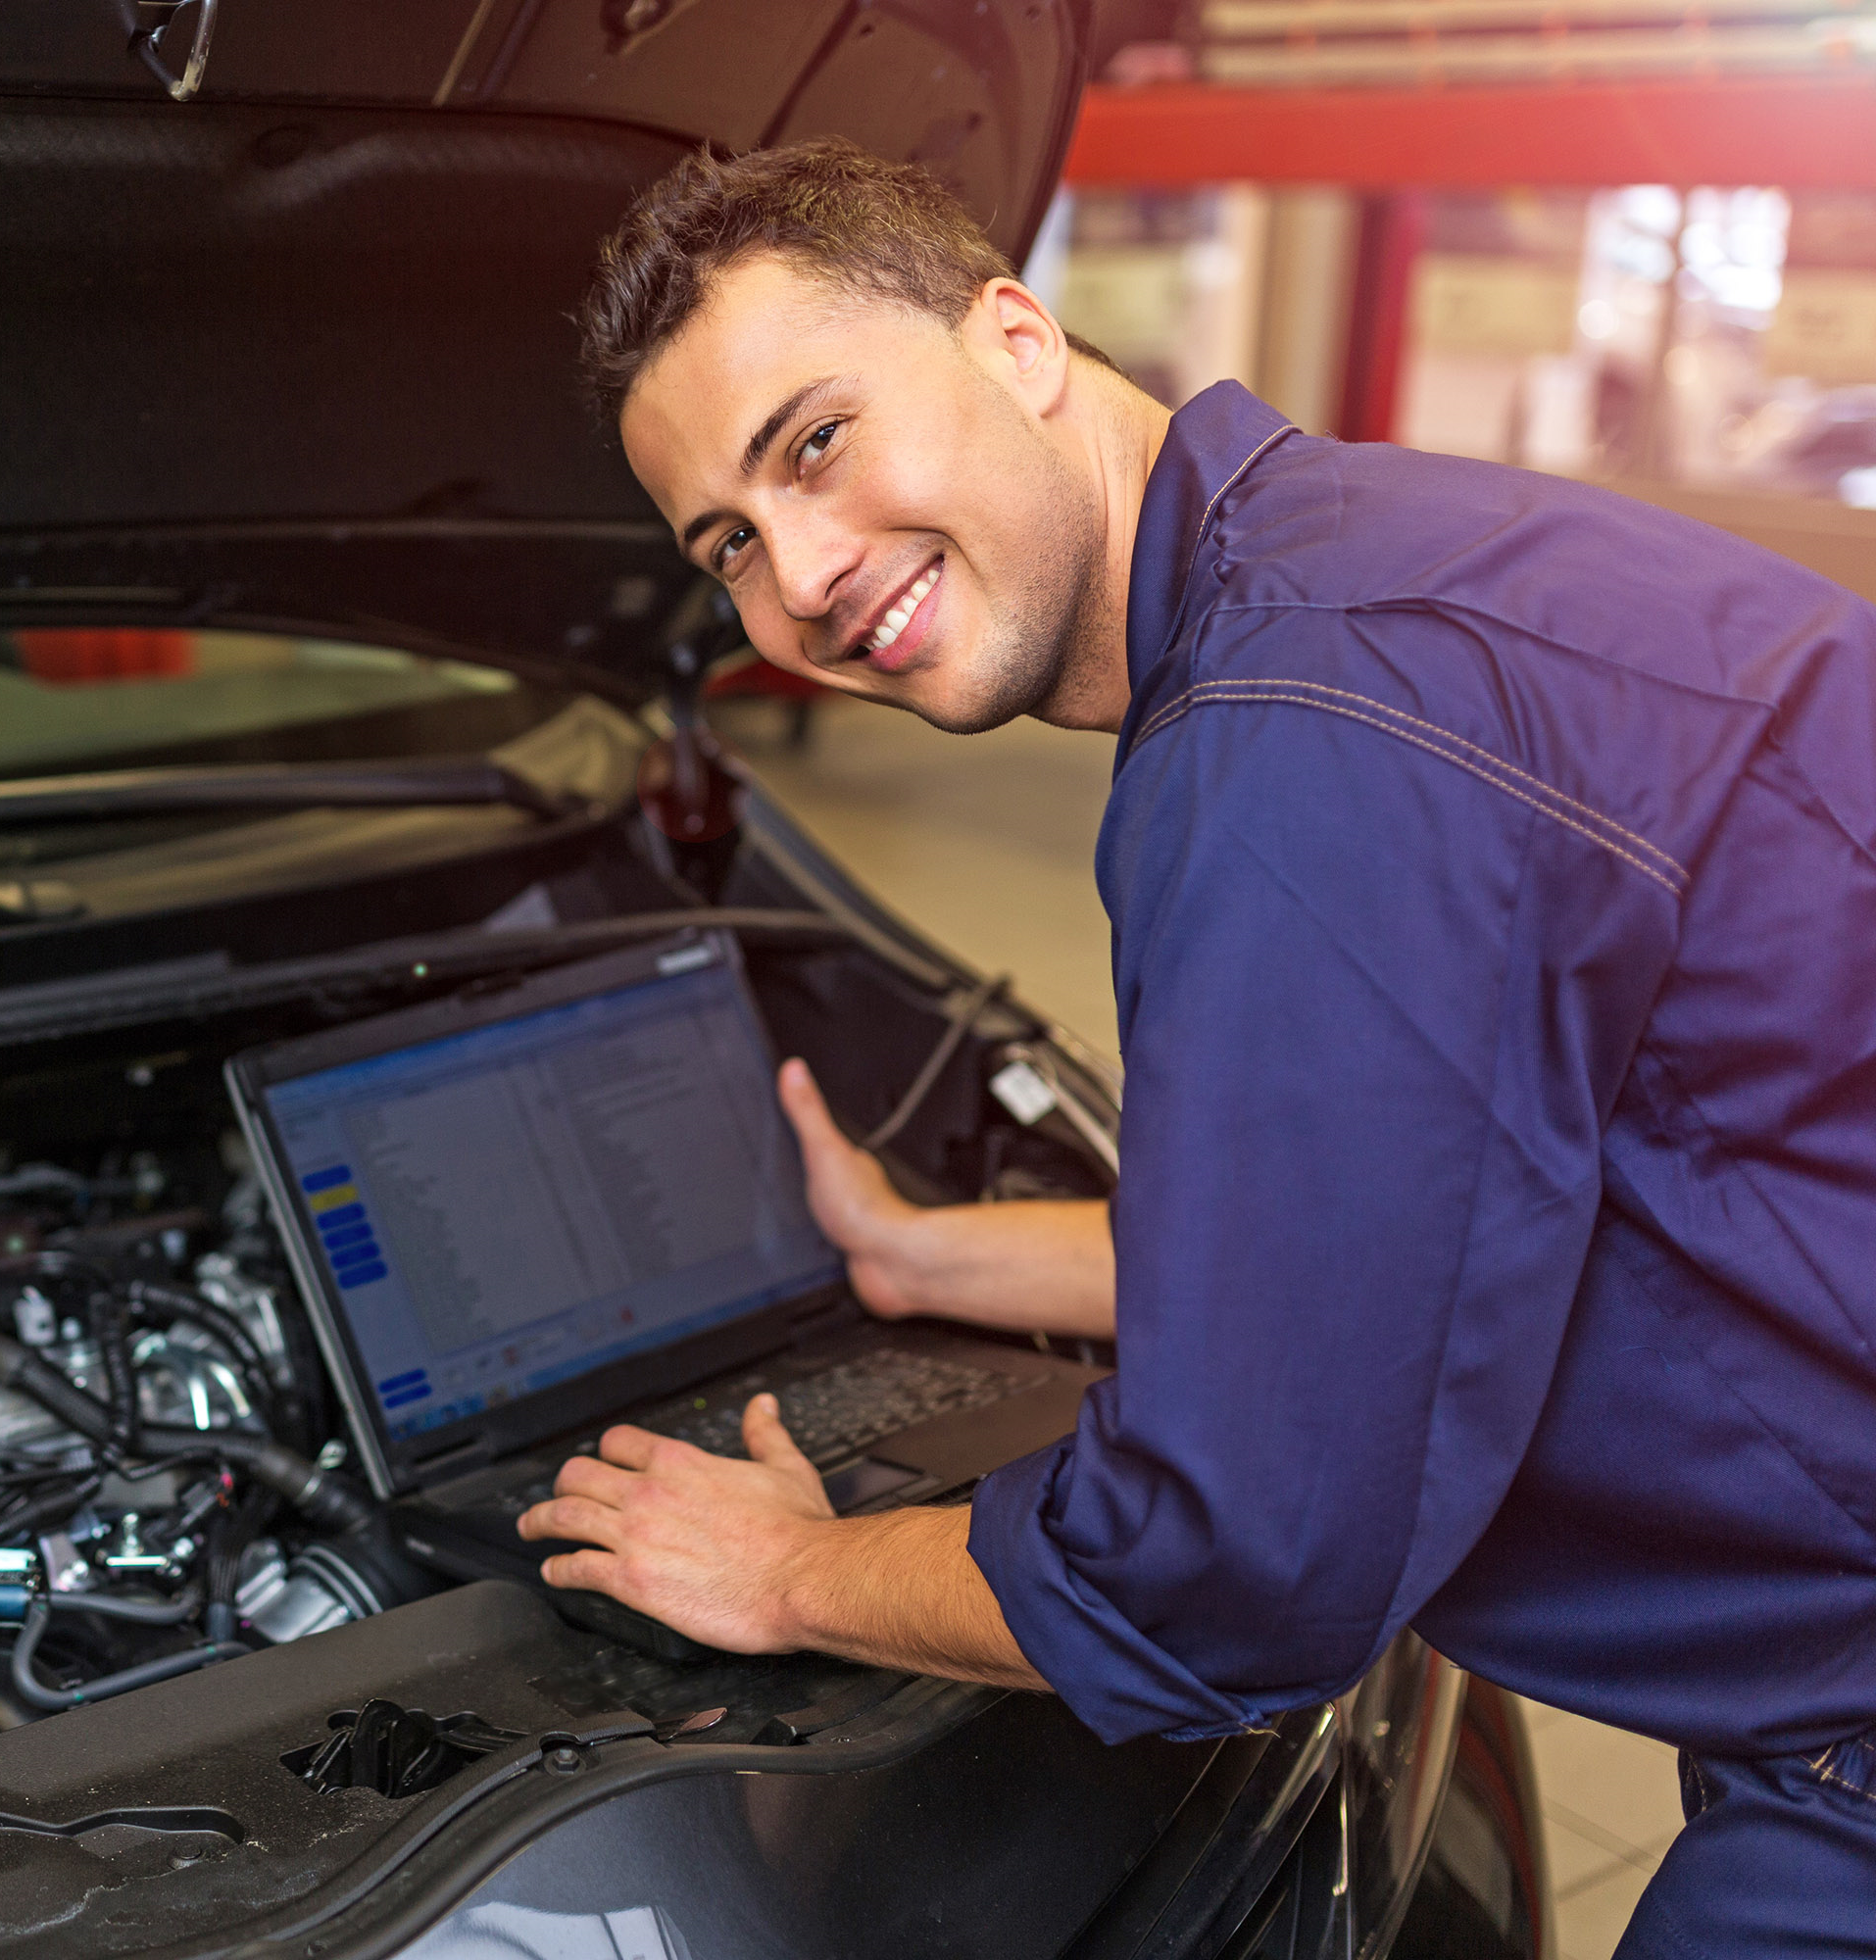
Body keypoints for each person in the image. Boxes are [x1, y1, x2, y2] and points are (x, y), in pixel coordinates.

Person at [517, 138, 1876, 1957]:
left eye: (817, 441)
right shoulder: (1354, 573)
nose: (804, 581)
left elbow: (1239, 1573)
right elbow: (1438, 1203)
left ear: (1012, 336)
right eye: (731, 545)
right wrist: (927, 1256)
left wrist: (789, 1570)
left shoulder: (1297, 744)